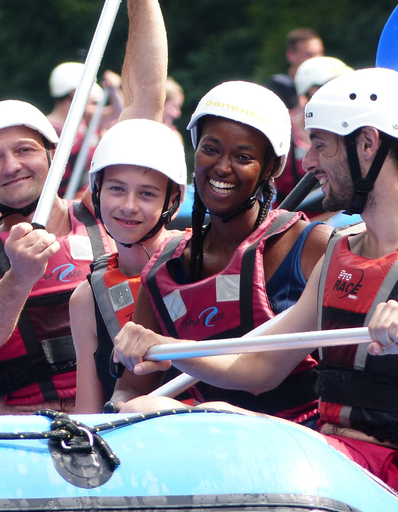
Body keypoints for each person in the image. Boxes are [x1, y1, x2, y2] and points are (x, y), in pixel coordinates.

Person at [112, 68, 398, 506]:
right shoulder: (340, 252)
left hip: (396, 481)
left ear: (367, 144)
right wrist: (162, 346)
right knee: (150, 410)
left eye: (322, 145)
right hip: (327, 461)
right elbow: (255, 369)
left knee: (223, 420)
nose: (308, 163)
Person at [0, 0, 165, 416]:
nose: (11, 167)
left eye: (24, 150)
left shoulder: (106, 215)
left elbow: (144, 103)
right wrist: (19, 278)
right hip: (24, 421)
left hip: (118, 411)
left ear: (52, 155)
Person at [110, 80, 333, 425]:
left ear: (270, 169)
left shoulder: (311, 245)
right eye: (211, 149)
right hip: (211, 439)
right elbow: (131, 389)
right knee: (142, 407)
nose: (222, 167)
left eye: (243, 157)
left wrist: (167, 348)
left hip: (301, 439)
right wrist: (121, 404)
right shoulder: (165, 268)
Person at [69, 0, 187, 414]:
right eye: (116, 190)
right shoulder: (86, 298)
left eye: (148, 194)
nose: (129, 207)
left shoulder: (199, 260)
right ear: (96, 192)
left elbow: (146, 95)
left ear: (173, 199)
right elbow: (87, 409)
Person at [272, 56, 353, 213]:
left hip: (339, 215)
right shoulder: (284, 132)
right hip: (298, 221)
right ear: (312, 91)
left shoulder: (349, 130)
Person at [266, 29, 325, 208]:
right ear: (291, 56)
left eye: (320, 54)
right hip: (289, 179)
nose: (317, 60)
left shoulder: (327, 86)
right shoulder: (280, 86)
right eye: (309, 55)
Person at [47, 61, 106, 197]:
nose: (94, 105)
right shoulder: (47, 130)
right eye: (91, 100)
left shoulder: (87, 125)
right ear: (73, 95)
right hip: (60, 202)